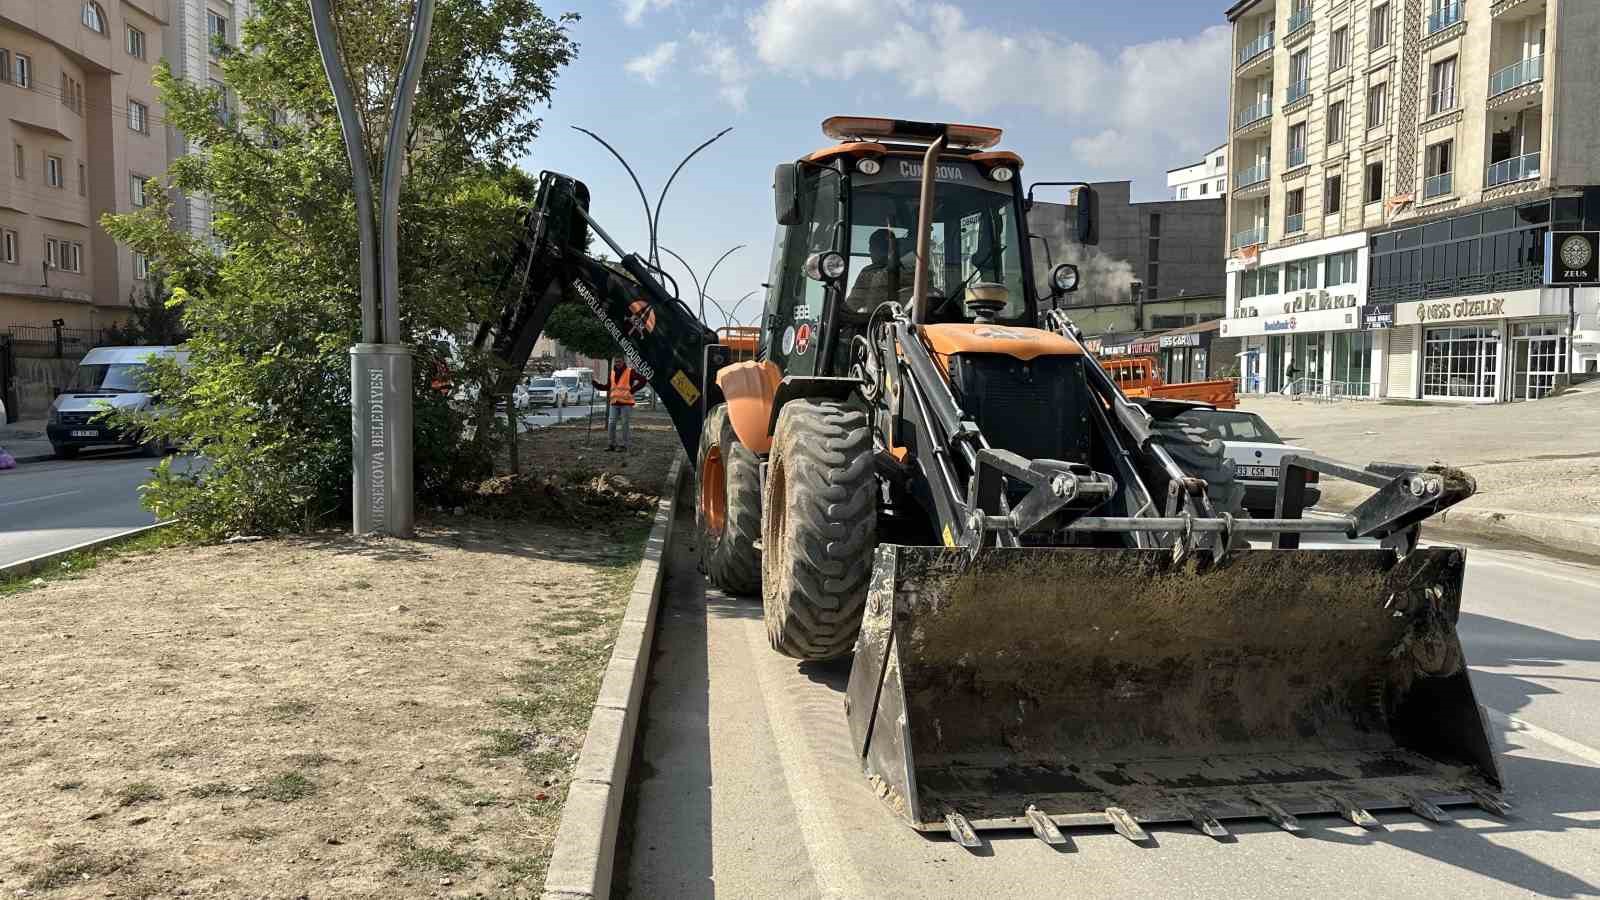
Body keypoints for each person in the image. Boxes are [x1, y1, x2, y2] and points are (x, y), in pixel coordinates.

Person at [592, 359, 648, 452]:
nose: (617, 363)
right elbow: (608, 387)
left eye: (619, 362)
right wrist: (597, 385)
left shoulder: (630, 372)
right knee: (611, 423)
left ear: (623, 362)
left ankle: (624, 445)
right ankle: (611, 444)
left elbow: (643, 380)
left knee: (624, 423)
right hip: (614, 402)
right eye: (616, 362)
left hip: (626, 402)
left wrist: (632, 391)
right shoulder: (612, 373)